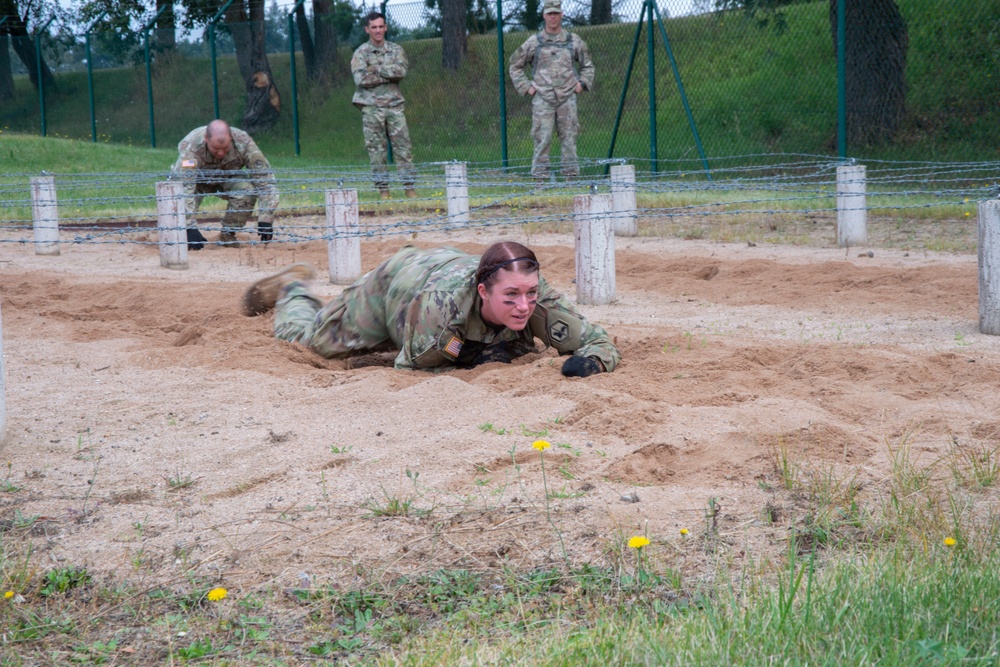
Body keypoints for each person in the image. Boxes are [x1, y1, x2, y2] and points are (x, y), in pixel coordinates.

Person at [240, 241, 620, 375]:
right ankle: (292, 291)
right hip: (396, 285)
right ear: (484, 291)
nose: (524, 306)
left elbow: (596, 341)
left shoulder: (537, 296)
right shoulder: (444, 310)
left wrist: (591, 363)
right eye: (511, 297)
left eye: (530, 293)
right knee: (309, 344)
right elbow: (409, 365)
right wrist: (473, 360)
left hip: (443, 267)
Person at [509, 0, 595, 183]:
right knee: (542, 140)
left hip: (567, 98)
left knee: (569, 140)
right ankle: (540, 182)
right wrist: (527, 88)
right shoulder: (534, 42)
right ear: (544, 15)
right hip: (543, 99)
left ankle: (571, 181)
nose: (553, 17)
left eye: (556, 13)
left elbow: (588, 66)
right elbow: (514, 66)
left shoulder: (573, 41)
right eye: (550, 13)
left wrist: (582, 84)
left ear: (562, 14)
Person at [172, 119, 279, 250]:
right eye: (216, 148)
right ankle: (179, 234)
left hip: (226, 177)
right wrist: (189, 227)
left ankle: (228, 234)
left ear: (232, 139)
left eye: (225, 148)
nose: (221, 153)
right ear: (206, 139)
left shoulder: (244, 142)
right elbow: (184, 188)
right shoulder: (191, 149)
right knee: (177, 212)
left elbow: (264, 179)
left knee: (247, 191)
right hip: (196, 181)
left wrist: (266, 217)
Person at [351, 11, 417, 201]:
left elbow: (401, 71)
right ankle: (383, 190)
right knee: (376, 150)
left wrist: (376, 69)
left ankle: (409, 188)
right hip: (371, 108)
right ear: (367, 29)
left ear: (386, 27)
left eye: (381, 26)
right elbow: (361, 79)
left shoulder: (396, 50)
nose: (378, 30)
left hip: (394, 106)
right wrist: (388, 74)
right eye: (374, 27)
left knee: (403, 147)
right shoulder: (360, 53)